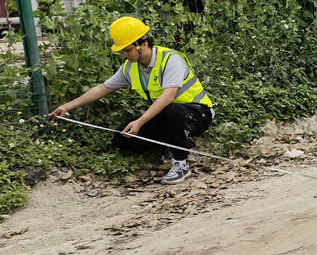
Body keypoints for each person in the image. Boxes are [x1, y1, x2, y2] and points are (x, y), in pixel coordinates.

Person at [47, 16, 214, 185]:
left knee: (172, 110)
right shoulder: (130, 67)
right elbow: (102, 89)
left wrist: (140, 121)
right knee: (121, 138)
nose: (124, 55)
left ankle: (180, 164)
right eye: (122, 51)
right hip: (167, 116)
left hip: (198, 114)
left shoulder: (171, 60)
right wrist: (66, 106)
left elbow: (168, 97)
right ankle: (175, 141)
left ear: (143, 44)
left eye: (127, 50)